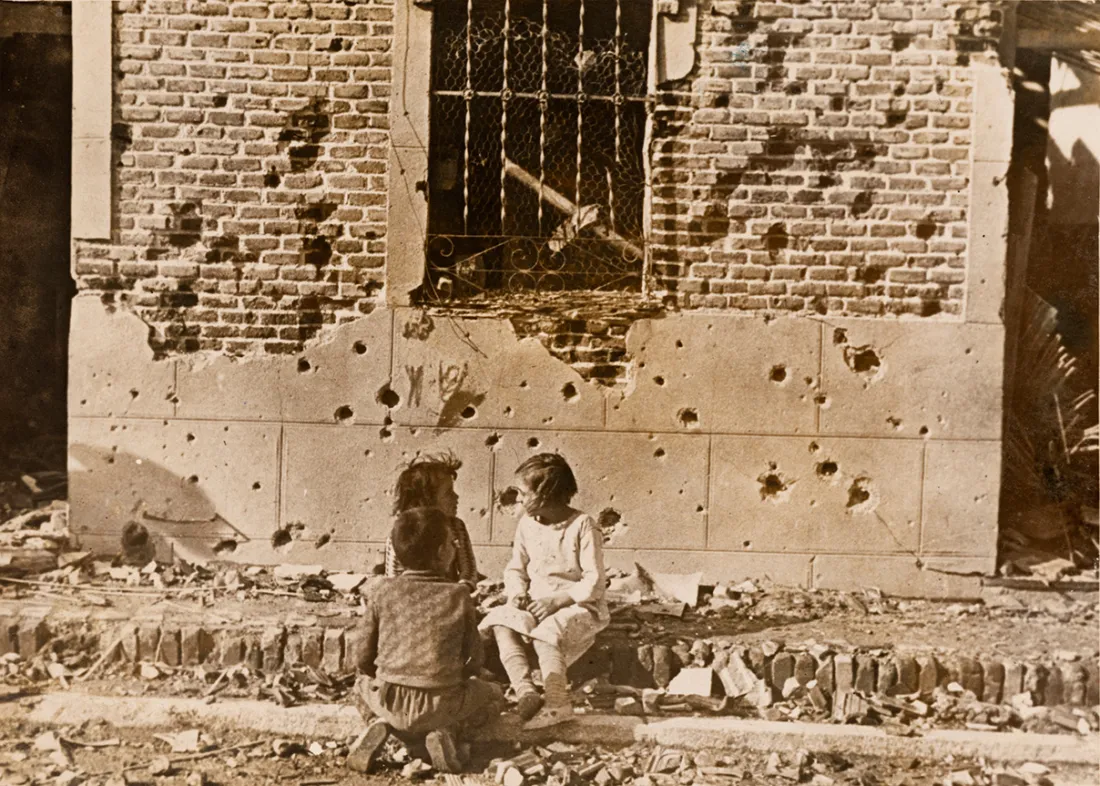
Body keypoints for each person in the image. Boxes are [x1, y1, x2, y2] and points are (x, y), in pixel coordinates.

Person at [351, 507, 503, 773]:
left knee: (358, 687)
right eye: (453, 543)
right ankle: (449, 733)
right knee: (494, 696)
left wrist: (377, 677)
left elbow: (362, 656)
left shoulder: (381, 591)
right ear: (443, 552)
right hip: (442, 701)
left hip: (390, 699)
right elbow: (475, 658)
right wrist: (468, 678)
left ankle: (379, 723)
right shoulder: (458, 595)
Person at [480, 453, 609, 729]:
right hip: (537, 604)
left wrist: (559, 600)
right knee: (501, 622)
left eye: (524, 493)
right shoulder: (527, 525)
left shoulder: (582, 525)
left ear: (545, 494)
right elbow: (516, 568)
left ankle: (557, 702)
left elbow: (595, 581)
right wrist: (517, 593)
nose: (519, 500)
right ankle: (525, 689)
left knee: (546, 634)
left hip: (577, 606)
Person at [383, 453, 478, 591]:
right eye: (448, 493)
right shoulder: (402, 531)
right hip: (410, 597)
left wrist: (462, 591)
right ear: (427, 500)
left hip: (448, 596)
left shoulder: (456, 527)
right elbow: (393, 578)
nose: (456, 497)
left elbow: (468, 570)